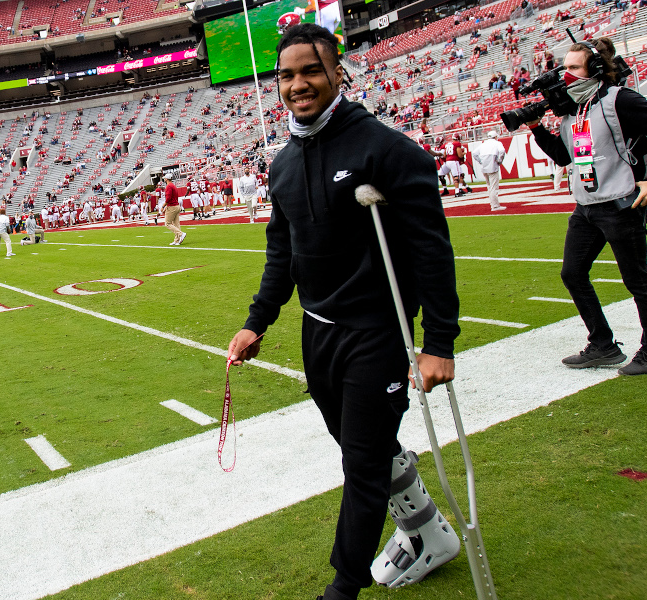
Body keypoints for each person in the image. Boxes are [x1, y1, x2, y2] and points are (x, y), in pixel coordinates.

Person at [227, 24, 462, 600]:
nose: (298, 84)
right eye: (287, 75)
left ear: (338, 72)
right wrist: (258, 320)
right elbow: (282, 250)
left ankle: (344, 587)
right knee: (368, 448)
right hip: (319, 332)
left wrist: (440, 342)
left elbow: (430, 247)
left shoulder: (385, 148)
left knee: (360, 465)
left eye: (312, 70)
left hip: (377, 332)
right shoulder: (282, 163)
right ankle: (427, 531)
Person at [526, 37, 647, 376]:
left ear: (595, 69)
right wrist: (537, 129)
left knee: (636, 281)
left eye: (572, 67)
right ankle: (603, 345)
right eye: (563, 67)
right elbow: (564, 156)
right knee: (572, 273)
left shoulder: (620, 100)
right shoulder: (572, 108)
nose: (564, 74)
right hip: (585, 207)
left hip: (620, 204)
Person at [474, 130, 507, 210]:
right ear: (495, 137)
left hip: (484, 168)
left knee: (489, 187)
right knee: (493, 187)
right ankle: (495, 206)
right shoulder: (497, 143)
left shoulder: (483, 144)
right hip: (492, 167)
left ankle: (493, 204)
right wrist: (500, 160)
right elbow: (502, 151)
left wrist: (480, 161)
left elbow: (474, 153)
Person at [160, 173, 185, 245]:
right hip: (176, 205)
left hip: (172, 206)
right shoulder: (173, 185)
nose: (164, 179)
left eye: (165, 178)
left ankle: (181, 234)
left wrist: (163, 206)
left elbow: (168, 198)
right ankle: (177, 240)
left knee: (167, 224)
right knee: (176, 224)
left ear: (167, 179)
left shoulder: (169, 186)